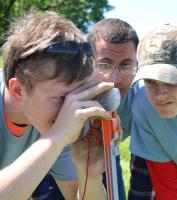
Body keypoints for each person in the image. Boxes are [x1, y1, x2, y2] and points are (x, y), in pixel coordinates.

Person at [0, 9, 114, 200]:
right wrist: (56, 137)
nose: (73, 109)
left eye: (77, 96)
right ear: (18, 90)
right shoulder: (58, 129)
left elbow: (75, 195)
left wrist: (90, 176)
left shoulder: (57, 123)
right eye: (61, 98)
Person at [120, 23, 177, 200]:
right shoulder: (145, 108)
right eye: (150, 81)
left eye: (171, 80)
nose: (158, 95)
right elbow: (166, 190)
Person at [87, 18, 140, 199]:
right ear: (87, 62)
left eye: (126, 65)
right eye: (104, 65)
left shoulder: (144, 99)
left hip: (108, 153)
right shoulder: (64, 92)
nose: (115, 79)